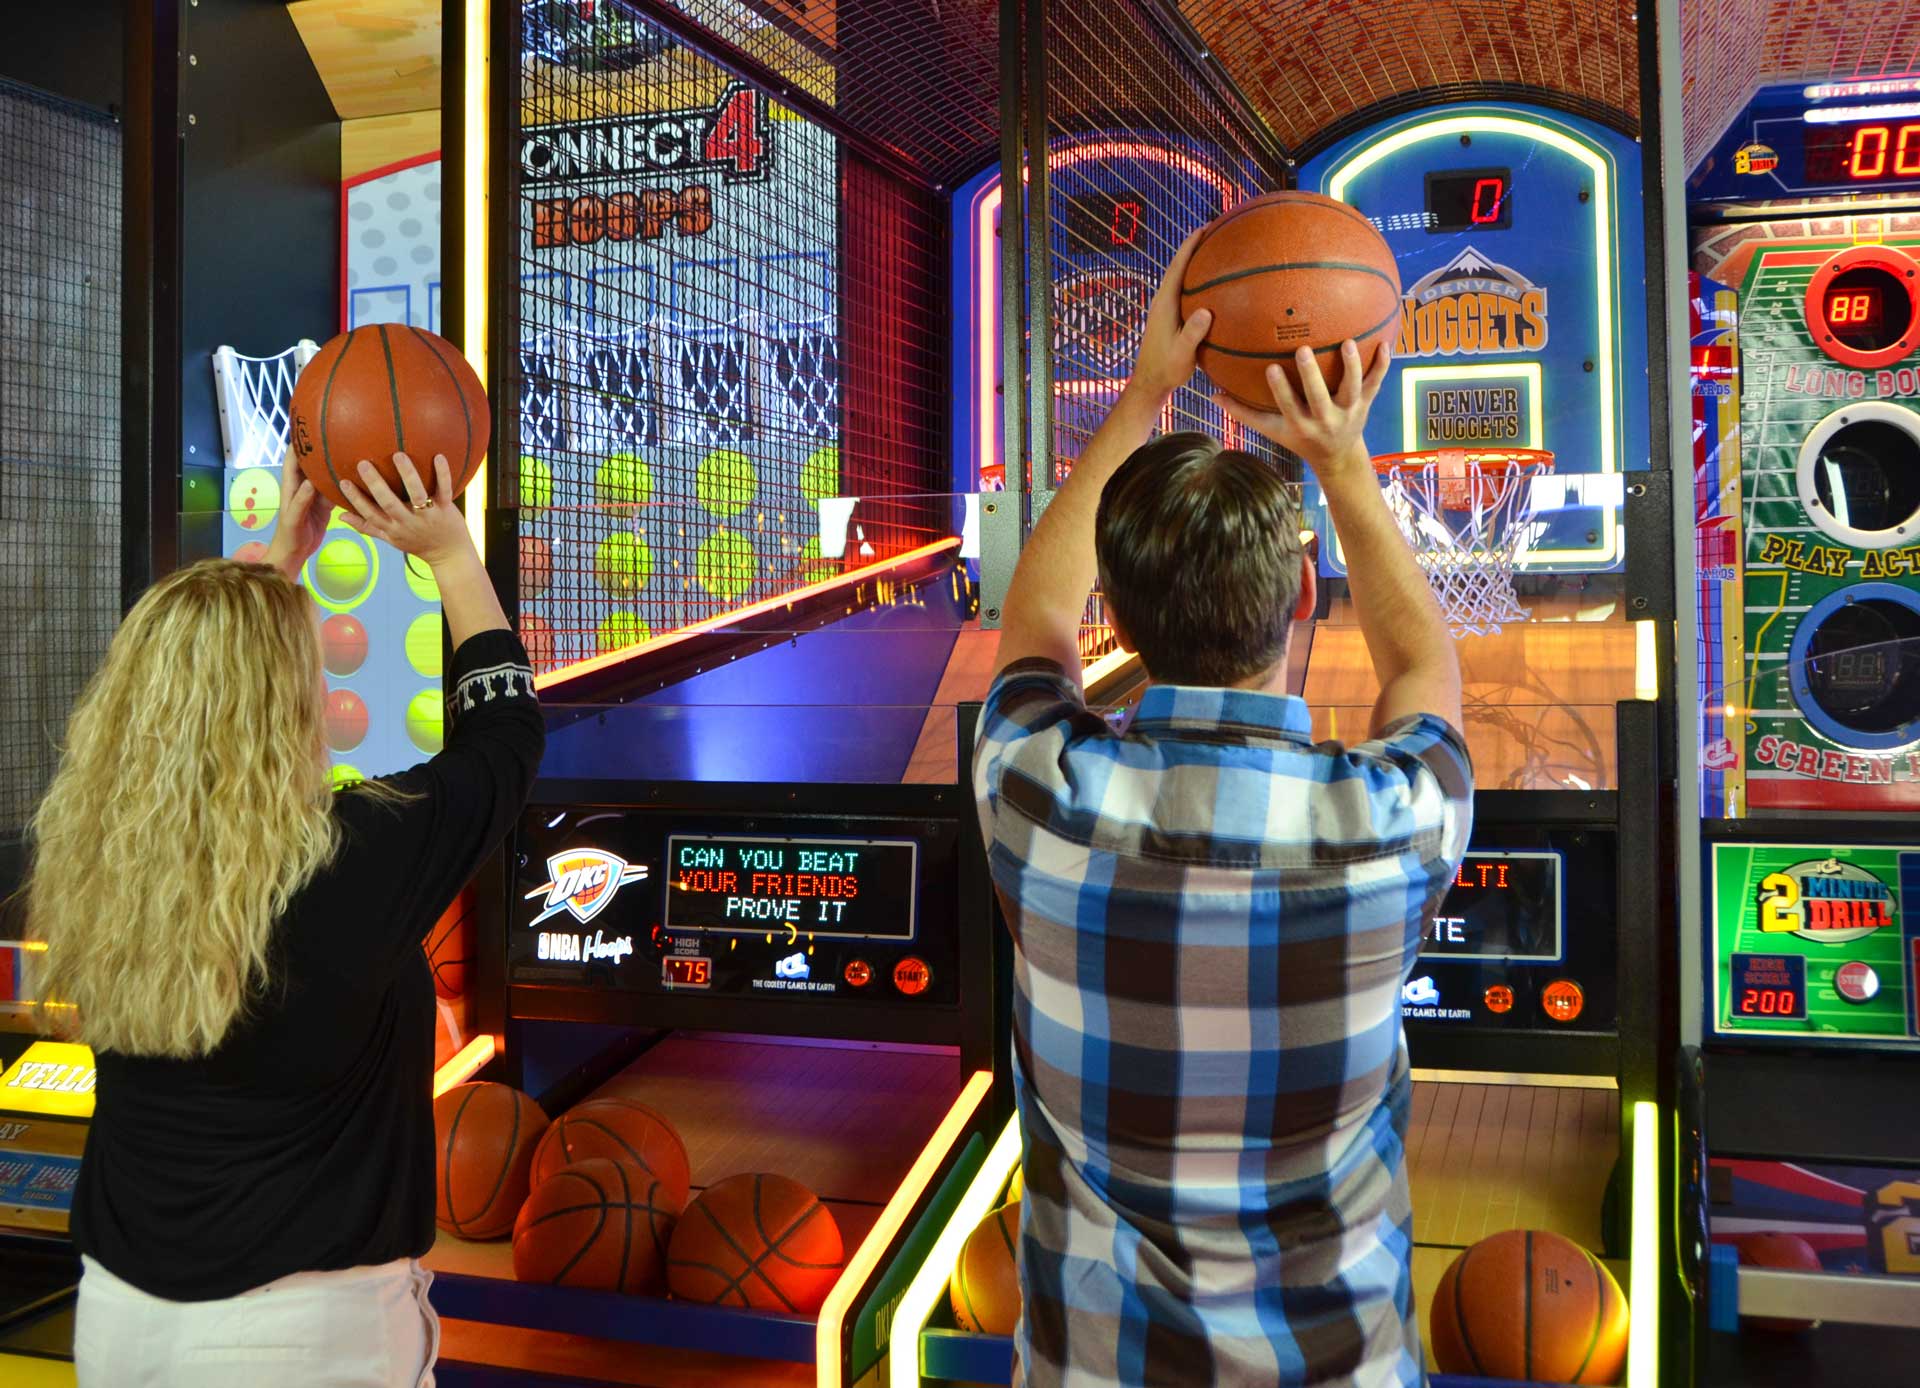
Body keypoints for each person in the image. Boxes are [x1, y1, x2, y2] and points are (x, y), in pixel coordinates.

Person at [972, 231, 1473, 1386]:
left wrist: (1144, 387)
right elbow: (1425, 673)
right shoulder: (1392, 823)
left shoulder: (1035, 790)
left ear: (1122, 619)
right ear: (1303, 592)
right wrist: (1341, 461)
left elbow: (1033, 613)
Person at [24, 450, 545, 1387]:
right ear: (281, 708)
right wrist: (454, 559)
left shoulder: (103, 851)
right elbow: (504, 740)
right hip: (296, 1340)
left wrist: (269, 571)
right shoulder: (348, 858)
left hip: (117, 1317)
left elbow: (201, 682)